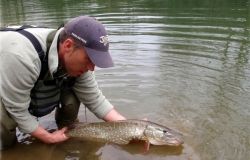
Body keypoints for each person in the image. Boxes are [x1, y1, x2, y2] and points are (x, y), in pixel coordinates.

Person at [0, 16, 126, 150]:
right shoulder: (22, 57)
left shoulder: (79, 63)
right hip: (7, 73)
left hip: (21, 75)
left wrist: (133, 128)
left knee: (75, 89)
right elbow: (16, 109)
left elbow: (95, 99)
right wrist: (49, 137)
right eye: (89, 59)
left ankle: (65, 133)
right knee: (4, 119)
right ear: (68, 45)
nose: (91, 68)